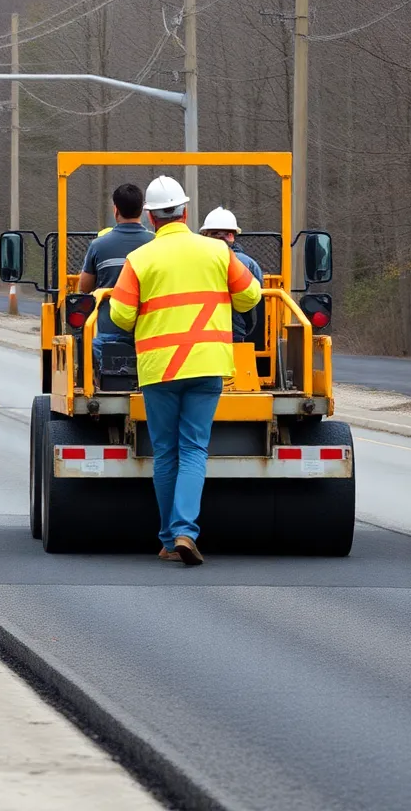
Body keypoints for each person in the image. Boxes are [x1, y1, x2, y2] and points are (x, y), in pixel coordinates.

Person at [109, 176, 262, 566]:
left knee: (165, 452)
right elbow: (249, 297)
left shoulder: (139, 259)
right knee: (194, 449)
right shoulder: (216, 252)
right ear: (185, 211)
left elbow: (121, 314)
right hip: (207, 365)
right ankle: (184, 532)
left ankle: (166, 539)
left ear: (150, 217)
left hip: (159, 368)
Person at [77, 184, 155, 366]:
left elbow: (85, 287)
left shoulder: (98, 245)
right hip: (150, 331)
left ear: (116, 210)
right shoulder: (156, 243)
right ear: (142, 210)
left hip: (109, 333)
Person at [199, 206, 264, 344]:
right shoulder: (248, 264)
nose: (221, 237)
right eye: (217, 233)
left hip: (200, 334)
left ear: (204, 235)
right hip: (235, 335)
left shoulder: (195, 260)